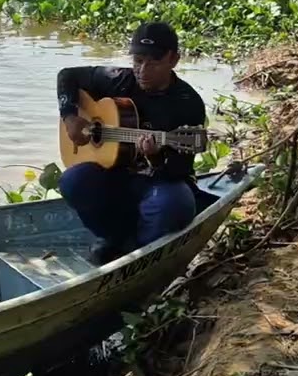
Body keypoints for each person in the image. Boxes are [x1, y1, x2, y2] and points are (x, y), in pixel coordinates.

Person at [56, 22, 206, 265]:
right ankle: (113, 237)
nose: (142, 70)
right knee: (73, 181)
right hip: (115, 175)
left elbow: (179, 170)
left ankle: (139, 253)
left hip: (159, 182)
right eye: (137, 61)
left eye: (153, 63)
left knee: (175, 204)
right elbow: (67, 76)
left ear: (174, 60)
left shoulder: (187, 103)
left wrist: (155, 158)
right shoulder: (119, 80)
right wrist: (70, 116)